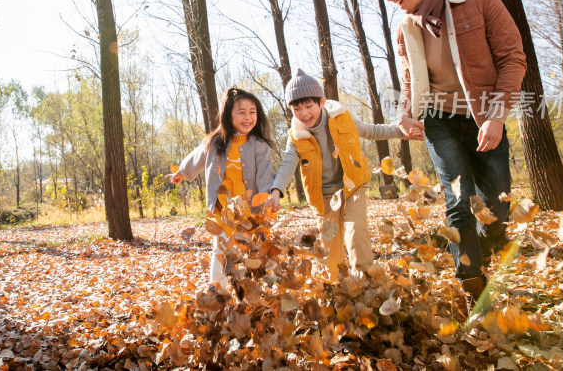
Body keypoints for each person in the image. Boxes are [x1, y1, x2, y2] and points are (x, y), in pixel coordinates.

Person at [371, 0, 526, 305]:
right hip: (440, 120)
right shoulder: (405, 28)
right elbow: (410, 81)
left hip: (485, 115)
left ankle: (489, 238)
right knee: (457, 199)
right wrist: (404, 115)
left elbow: (513, 58)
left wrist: (496, 117)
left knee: (497, 201)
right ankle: (472, 283)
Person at [270, 69, 407, 280]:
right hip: (323, 197)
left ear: (321, 102)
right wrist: (277, 190)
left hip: (352, 187)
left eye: (309, 106)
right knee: (329, 252)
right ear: (291, 109)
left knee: (356, 232)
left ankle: (365, 285)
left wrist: (401, 130)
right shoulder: (296, 136)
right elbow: (288, 163)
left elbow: (371, 131)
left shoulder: (342, 118)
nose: (304, 113)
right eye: (297, 109)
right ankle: (336, 290)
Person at [169, 86, 275, 286]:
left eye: (252, 112)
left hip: (251, 212)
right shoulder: (216, 142)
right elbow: (195, 158)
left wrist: (266, 199)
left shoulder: (259, 145)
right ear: (228, 115)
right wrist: (181, 172)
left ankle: (246, 292)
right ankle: (218, 291)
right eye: (241, 112)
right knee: (221, 250)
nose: (248, 117)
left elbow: (265, 176)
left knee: (250, 251)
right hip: (223, 210)